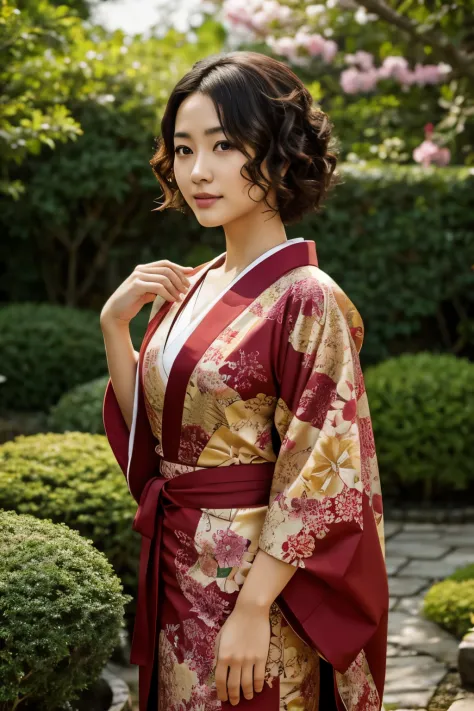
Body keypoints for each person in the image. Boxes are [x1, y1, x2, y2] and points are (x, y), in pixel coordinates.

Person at [101, 50, 389, 711]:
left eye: (224, 145)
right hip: (177, 568)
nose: (198, 171)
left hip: (258, 587)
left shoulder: (308, 297)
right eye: (183, 148)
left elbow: (323, 468)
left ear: (280, 151)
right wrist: (116, 328)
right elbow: (156, 436)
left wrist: (255, 606)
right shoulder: (191, 284)